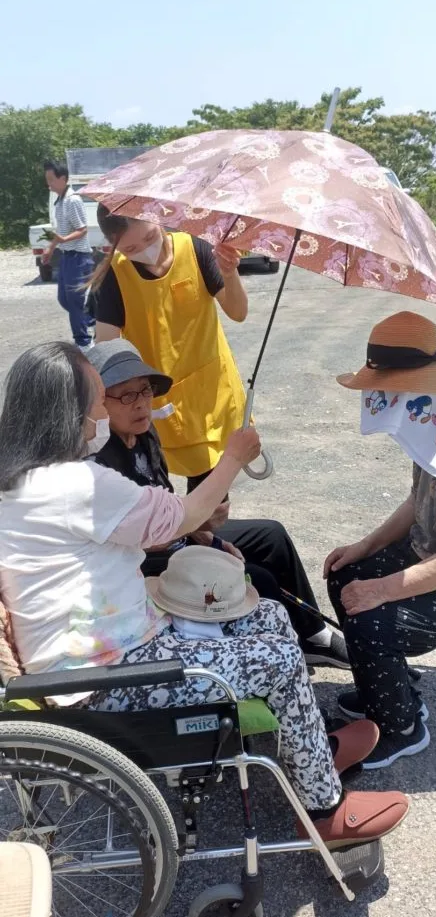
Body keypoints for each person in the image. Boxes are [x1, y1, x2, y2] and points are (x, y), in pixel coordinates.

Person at [0, 341, 408, 847]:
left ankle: (309, 752)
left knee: (269, 615)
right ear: (68, 411)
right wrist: (233, 458)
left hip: (107, 651)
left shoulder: (23, 482)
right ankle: (324, 810)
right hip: (106, 679)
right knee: (281, 659)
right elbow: (181, 517)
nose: (102, 413)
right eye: (99, 400)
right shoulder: (73, 483)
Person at [87, 338, 349, 669]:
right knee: (255, 579)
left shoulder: (146, 433)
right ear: (98, 402)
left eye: (145, 391)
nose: (140, 404)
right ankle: (269, 660)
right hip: (143, 559)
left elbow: (166, 498)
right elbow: (138, 537)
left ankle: (313, 636)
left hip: (177, 531)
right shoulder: (97, 458)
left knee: (271, 537)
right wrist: (224, 476)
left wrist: (207, 535)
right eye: (126, 395)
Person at [325, 311, 436, 769]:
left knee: (369, 618)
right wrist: (363, 548)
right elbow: (416, 500)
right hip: (433, 554)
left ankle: (401, 726)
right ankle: (387, 686)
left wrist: (382, 590)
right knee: (345, 573)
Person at [90, 206, 248, 485]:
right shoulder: (115, 275)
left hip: (213, 392)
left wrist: (229, 273)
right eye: (131, 248)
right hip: (160, 398)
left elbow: (238, 312)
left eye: (150, 237)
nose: (145, 251)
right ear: (114, 246)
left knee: (212, 487)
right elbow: (107, 350)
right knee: (161, 487)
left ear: (160, 220)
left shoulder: (195, 249)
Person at [42, 160, 95, 349]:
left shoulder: (73, 200)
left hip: (79, 257)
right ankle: (93, 321)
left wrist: (63, 240)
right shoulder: (60, 201)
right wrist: (51, 248)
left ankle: (84, 343)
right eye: (47, 179)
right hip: (67, 256)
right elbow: (60, 232)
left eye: (51, 179)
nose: (48, 184)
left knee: (74, 301)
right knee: (64, 300)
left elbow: (82, 229)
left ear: (63, 178)